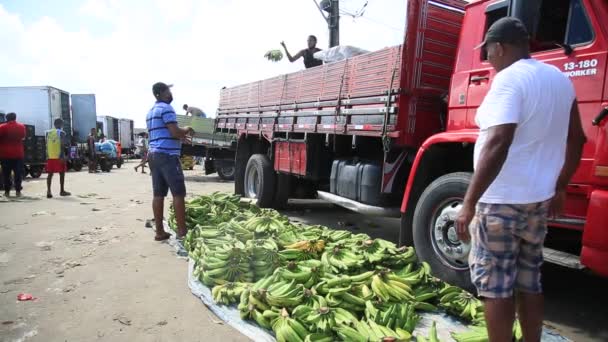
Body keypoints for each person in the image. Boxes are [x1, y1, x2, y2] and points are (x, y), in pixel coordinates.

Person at [454, 18, 586, 342]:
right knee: (530, 281)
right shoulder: (560, 79)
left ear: (500, 46)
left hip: (501, 202)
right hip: (538, 201)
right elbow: (578, 139)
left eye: (487, 51)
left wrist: (468, 203)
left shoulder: (509, 79)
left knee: (495, 286)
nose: (487, 59)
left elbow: (499, 140)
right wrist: (560, 186)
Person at [146, 82, 194, 241]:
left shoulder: (151, 111)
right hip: (167, 156)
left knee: (158, 194)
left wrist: (180, 137)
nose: (170, 94)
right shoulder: (166, 108)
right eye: (168, 91)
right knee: (178, 193)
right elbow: (174, 131)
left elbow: (163, 134)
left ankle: (159, 232)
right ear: (160, 93)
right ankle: (182, 233)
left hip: (154, 155)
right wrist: (186, 129)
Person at [0, 113, 26, 197]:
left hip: (5, 154)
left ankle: (7, 192)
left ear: (7, 118)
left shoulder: (2, 127)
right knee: (18, 173)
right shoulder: (21, 126)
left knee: (6, 174)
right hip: (18, 154)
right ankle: (18, 191)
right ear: (15, 118)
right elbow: (23, 137)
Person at [45, 118, 71, 198]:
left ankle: (49, 191)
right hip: (59, 156)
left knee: (50, 174)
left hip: (50, 156)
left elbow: (46, 144)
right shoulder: (62, 133)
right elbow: (62, 145)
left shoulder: (47, 133)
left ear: (54, 124)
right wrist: (63, 156)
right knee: (62, 173)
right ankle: (62, 191)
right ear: (61, 124)